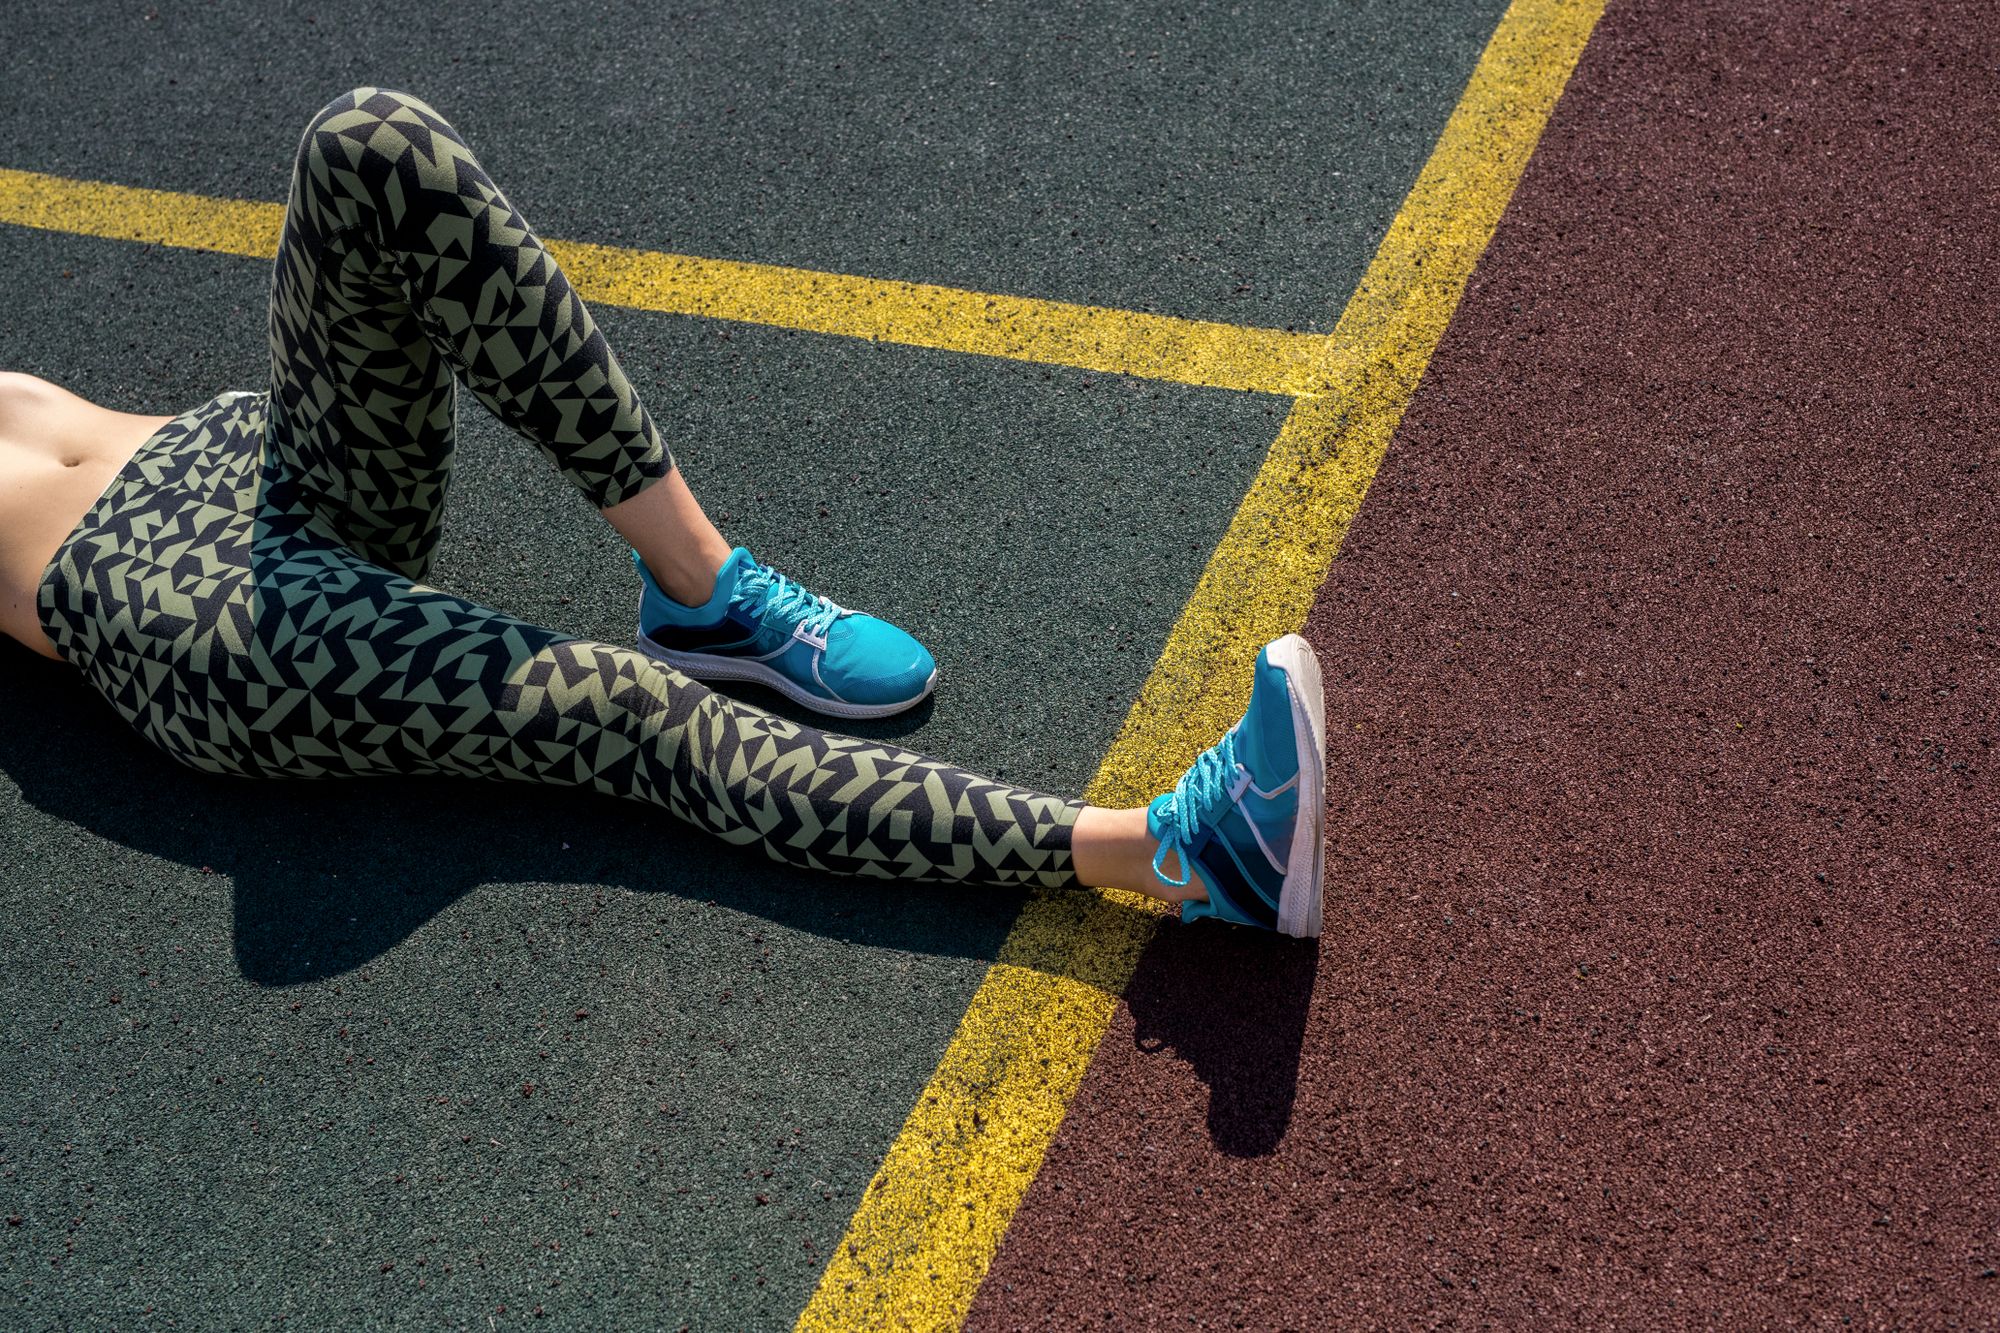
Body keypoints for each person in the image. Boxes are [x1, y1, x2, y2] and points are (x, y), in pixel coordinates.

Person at [0, 87, 1327, 938]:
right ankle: (1177, 850)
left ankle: (705, 589)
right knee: (625, 718)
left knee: (372, 147)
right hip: (208, 627)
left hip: (253, 472)